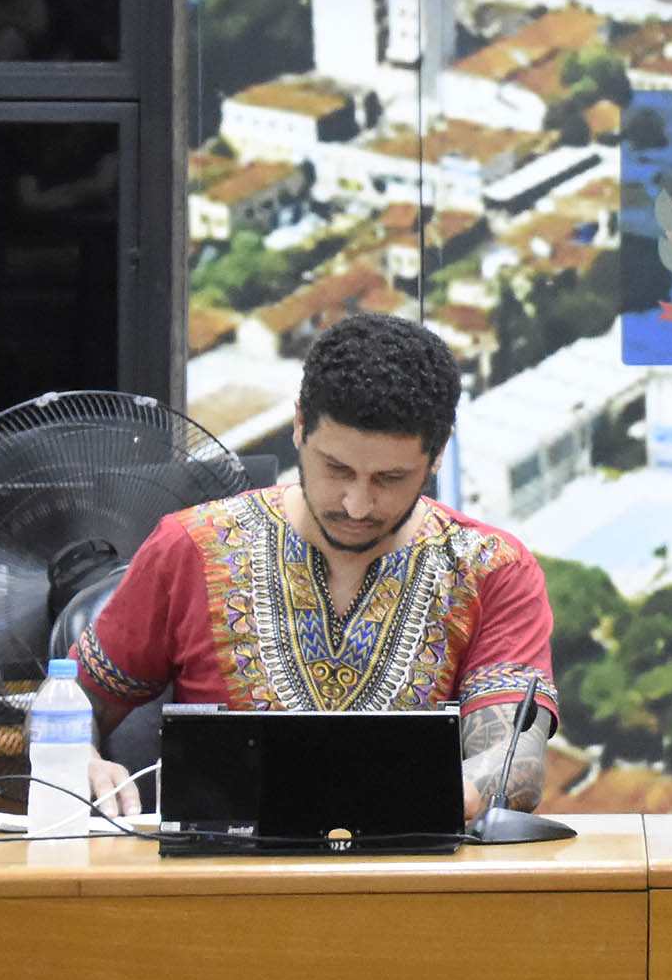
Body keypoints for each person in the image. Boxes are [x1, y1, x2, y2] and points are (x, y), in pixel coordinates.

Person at [76, 313, 560, 821]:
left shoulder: (491, 570)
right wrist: (77, 757)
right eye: (337, 469)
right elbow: (70, 702)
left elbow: (514, 765)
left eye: (389, 479)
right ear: (299, 425)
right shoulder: (188, 548)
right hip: (221, 887)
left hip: (412, 884)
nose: (356, 504)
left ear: (438, 454)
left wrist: (356, 809)